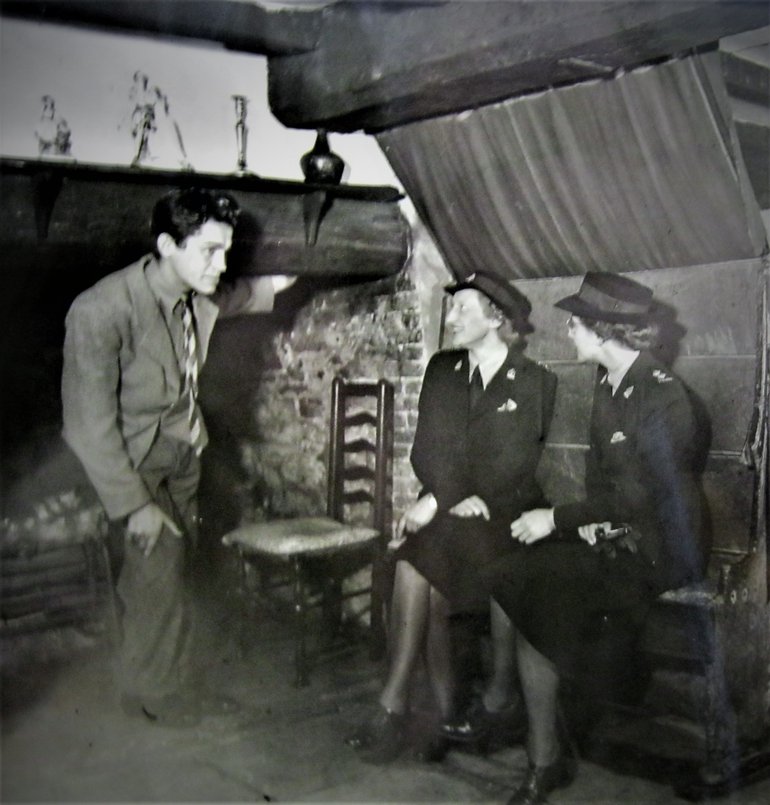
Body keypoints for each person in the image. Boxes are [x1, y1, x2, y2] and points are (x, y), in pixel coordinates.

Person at [62, 187, 295, 727]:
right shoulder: (101, 310)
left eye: (227, 251)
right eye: (210, 251)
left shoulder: (199, 292)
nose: (221, 264)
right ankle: (153, 700)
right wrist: (133, 505)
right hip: (134, 463)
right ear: (168, 244)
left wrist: (284, 281)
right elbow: (85, 424)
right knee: (155, 574)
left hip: (185, 455)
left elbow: (239, 295)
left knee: (179, 572)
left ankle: (173, 685)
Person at [487, 272, 705, 804]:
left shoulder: (663, 396)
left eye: (575, 323)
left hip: (660, 548)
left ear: (604, 330)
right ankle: (508, 708)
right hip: (619, 530)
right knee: (507, 569)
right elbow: (606, 483)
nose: (567, 330)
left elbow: (642, 498)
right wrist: (584, 521)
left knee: (534, 581)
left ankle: (544, 759)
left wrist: (559, 520)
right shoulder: (608, 382)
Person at [346, 271, 557, 763]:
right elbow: (427, 450)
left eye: (464, 308)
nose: (453, 317)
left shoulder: (534, 382)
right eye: (452, 307)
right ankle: (421, 708)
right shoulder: (443, 369)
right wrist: (447, 496)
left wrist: (441, 499)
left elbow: (512, 464)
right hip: (454, 504)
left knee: (424, 556)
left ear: (497, 318)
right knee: (414, 560)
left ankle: (402, 709)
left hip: (505, 512)